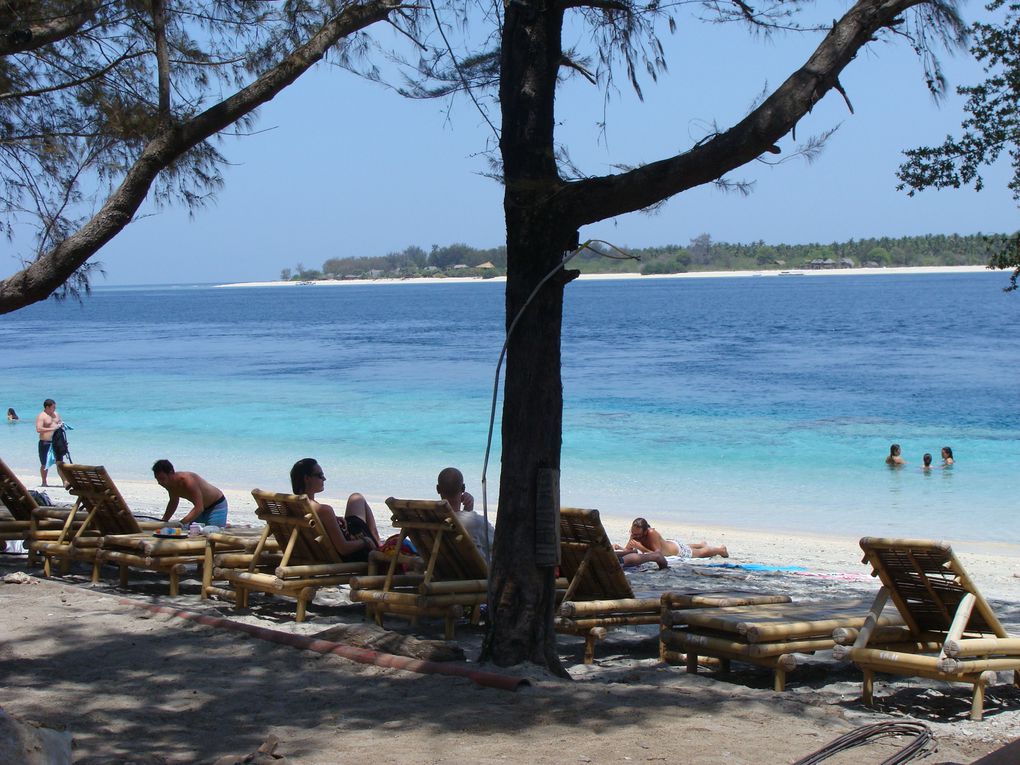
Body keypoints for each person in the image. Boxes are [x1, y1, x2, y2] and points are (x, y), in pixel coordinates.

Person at [289, 458, 381, 562]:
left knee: (356, 497)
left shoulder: (292, 505)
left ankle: (378, 543)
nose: (324, 479)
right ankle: (379, 548)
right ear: (307, 478)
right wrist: (366, 541)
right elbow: (343, 549)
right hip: (351, 554)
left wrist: (334, 520)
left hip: (319, 550)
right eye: (320, 475)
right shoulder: (324, 510)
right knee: (358, 499)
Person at [436, 466, 495, 558]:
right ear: (463, 488)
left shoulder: (429, 519)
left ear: (438, 489)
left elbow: (457, 520)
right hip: (474, 570)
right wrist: (468, 515)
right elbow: (497, 542)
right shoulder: (476, 522)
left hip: (442, 567)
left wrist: (467, 511)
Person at [152, 459, 229, 526]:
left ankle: (223, 524)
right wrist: (164, 520)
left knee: (211, 532)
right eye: (157, 479)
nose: (160, 482)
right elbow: (173, 501)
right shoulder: (168, 483)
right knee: (191, 531)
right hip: (202, 509)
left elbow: (199, 508)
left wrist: (181, 523)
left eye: (162, 478)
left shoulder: (187, 481)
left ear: (171, 473)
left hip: (217, 505)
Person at [617, 517, 728, 562]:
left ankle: (721, 550)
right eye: (633, 533)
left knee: (701, 553)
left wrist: (639, 547)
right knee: (689, 546)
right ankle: (701, 543)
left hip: (677, 550)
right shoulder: (635, 533)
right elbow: (629, 549)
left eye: (638, 535)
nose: (635, 536)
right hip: (669, 544)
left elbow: (658, 555)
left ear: (646, 531)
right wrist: (619, 548)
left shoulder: (652, 533)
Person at [35, 399, 62, 486]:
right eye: (53, 407)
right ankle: (44, 482)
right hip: (45, 442)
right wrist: (52, 429)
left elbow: (59, 423)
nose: (54, 409)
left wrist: (62, 425)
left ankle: (64, 482)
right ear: (47, 407)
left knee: (60, 462)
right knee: (44, 463)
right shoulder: (41, 416)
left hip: (56, 442)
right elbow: (39, 429)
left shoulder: (56, 414)